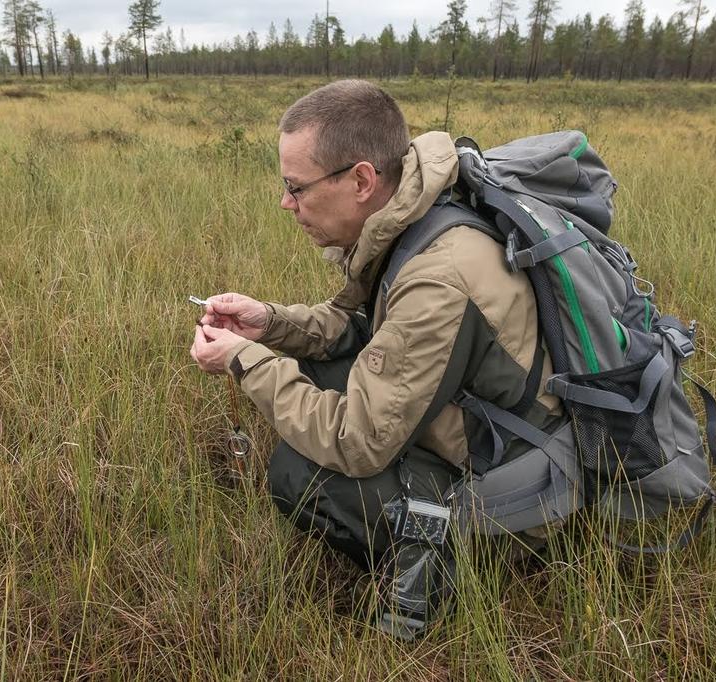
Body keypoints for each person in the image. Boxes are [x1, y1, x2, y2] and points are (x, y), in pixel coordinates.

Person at [189, 80, 560, 636]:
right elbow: (361, 329)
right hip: (476, 423)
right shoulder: (413, 215)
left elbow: (355, 443)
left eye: (296, 187)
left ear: (362, 180)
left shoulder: (439, 276)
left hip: (515, 488)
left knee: (304, 472)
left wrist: (248, 362)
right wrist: (270, 324)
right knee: (313, 374)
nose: (286, 203)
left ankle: (454, 569)